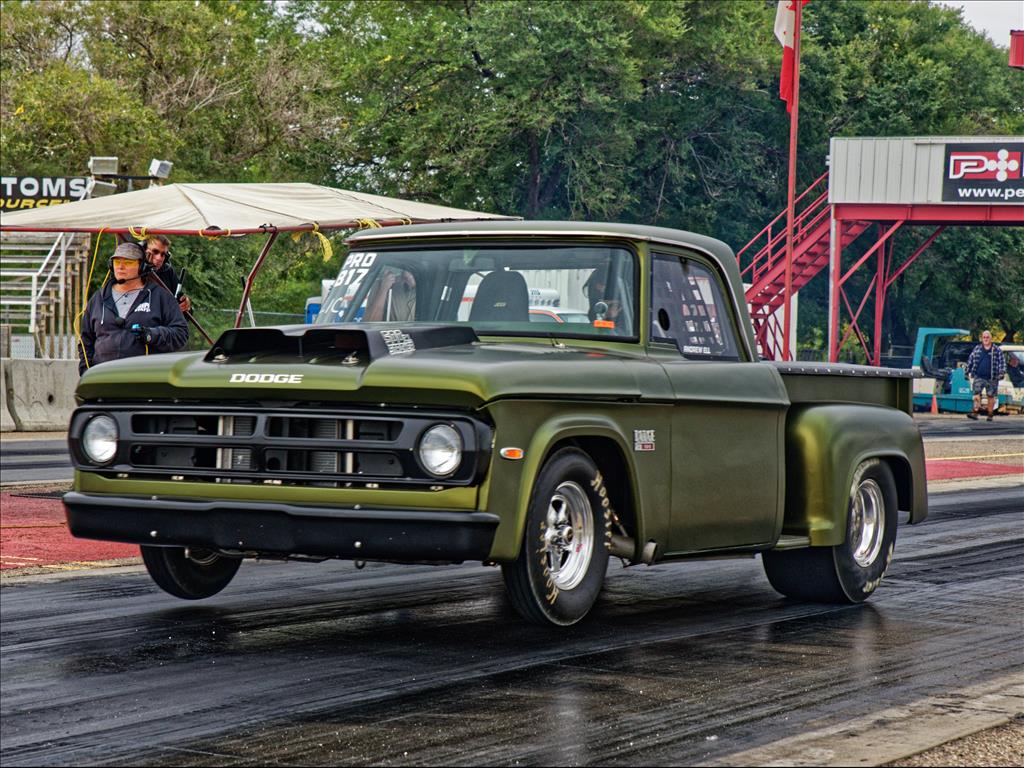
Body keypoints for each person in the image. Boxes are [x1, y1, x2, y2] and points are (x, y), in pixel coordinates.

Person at [78, 241, 189, 375]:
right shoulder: (98, 299)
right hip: (103, 382)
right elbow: (85, 342)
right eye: (117, 262)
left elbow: (181, 334)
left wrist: (152, 335)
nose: (121, 267)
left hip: (144, 382)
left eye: (128, 262)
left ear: (141, 267)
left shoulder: (160, 297)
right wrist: (86, 373)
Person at [964, 329, 1005, 421]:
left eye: (987, 337)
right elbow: (970, 360)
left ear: (991, 338)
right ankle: (975, 412)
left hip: (992, 377)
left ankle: (990, 414)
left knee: (991, 396)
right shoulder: (977, 349)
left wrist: (1001, 373)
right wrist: (967, 371)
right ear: (982, 339)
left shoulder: (997, 350)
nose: (986, 339)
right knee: (976, 394)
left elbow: (1002, 362)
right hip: (978, 376)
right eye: (984, 337)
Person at [143, 234, 192, 313]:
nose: (159, 258)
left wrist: (186, 305)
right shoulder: (131, 271)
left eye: (163, 254)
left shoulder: (167, 271)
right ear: (143, 250)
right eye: (155, 251)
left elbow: (180, 307)